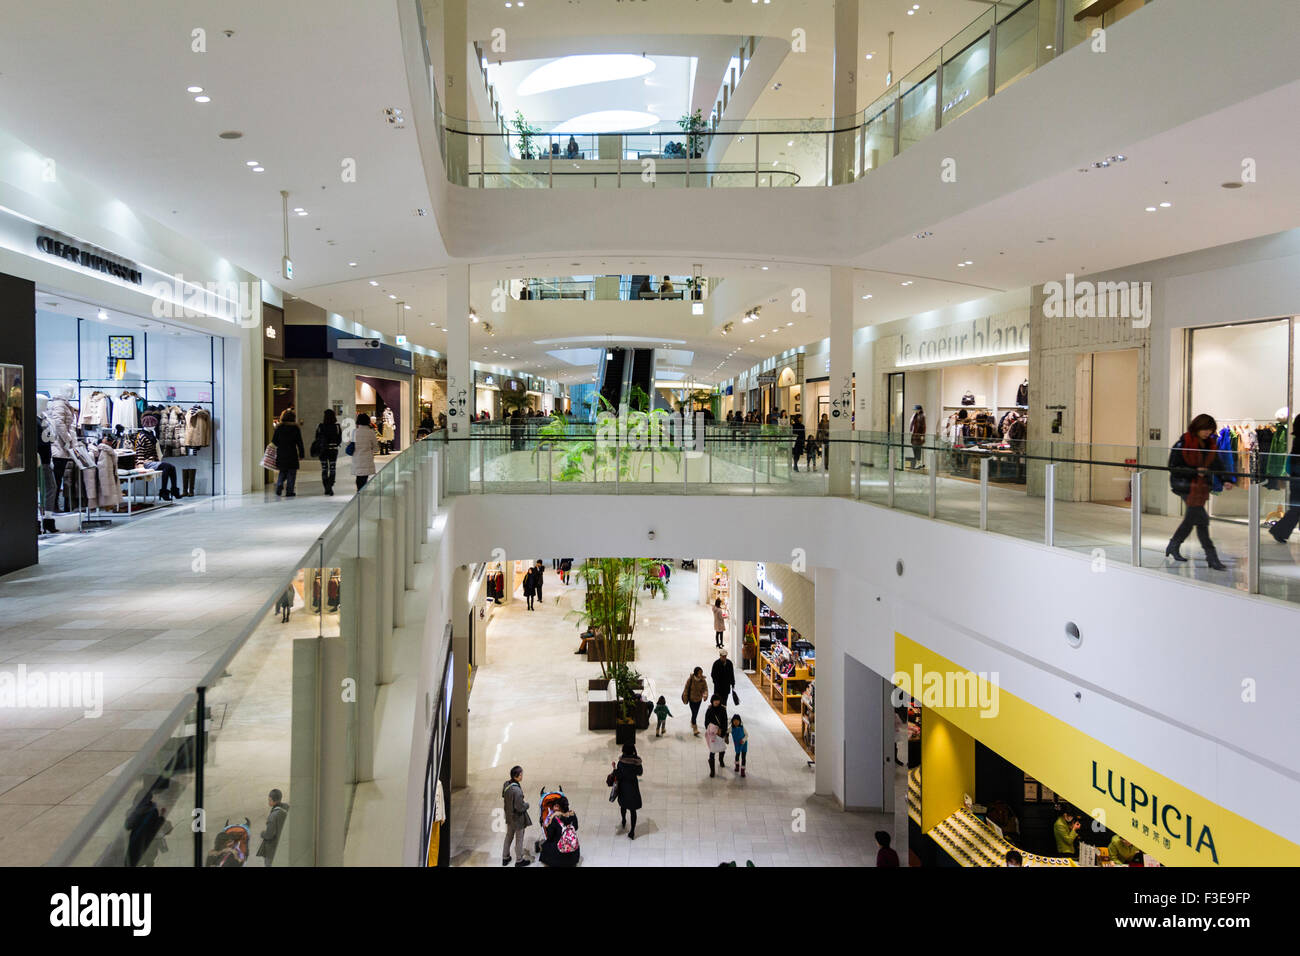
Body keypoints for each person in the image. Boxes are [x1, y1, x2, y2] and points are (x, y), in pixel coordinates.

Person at [1165, 413, 1233, 570]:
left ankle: (1173, 545)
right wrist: (1196, 471)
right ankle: (1212, 557)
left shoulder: (1210, 445)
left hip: (1201, 487)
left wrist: (1226, 479)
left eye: (1210, 430)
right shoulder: (1183, 444)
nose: (1208, 433)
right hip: (1185, 486)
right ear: (1197, 427)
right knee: (1202, 519)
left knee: (1192, 519)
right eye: (1205, 429)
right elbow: (1173, 467)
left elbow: (1217, 464)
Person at [1269, 413, 1300, 544]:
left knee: (1296, 509)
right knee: (1296, 509)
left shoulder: (1297, 439)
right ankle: (1279, 531)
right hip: (1298, 479)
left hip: (1296, 479)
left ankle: (1279, 531)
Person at [501, 765, 533, 866]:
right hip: (517, 819)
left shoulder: (506, 784)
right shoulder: (517, 791)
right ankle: (519, 860)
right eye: (521, 774)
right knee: (519, 839)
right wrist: (526, 805)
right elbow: (520, 807)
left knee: (509, 836)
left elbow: (504, 795)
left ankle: (505, 858)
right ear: (516, 776)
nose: (522, 776)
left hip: (509, 816)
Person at [538, 795, 579, 866]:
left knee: (545, 846)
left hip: (560, 855)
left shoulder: (555, 819)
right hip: (573, 856)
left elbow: (550, 836)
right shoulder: (573, 814)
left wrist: (548, 826)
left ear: (558, 807)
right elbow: (576, 827)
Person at [271, 410, 305, 498]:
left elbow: (274, 441)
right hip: (292, 453)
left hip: (281, 453)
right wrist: (301, 454)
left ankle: (279, 484)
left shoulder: (279, 427)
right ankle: (289, 491)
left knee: (282, 471)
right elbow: (299, 443)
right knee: (292, 472)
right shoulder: (295, 428)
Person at [612, 744, 643, 839]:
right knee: (633, 810)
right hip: (633, 787)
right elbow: (640, 772)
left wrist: (614, 768)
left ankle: (624, 820)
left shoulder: (621, 762)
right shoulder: (636, 761)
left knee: (623, 805)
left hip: (624, 787)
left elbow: (618, 775)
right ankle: (632, 831)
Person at [256, 789, 288, 867]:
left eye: (269, 800)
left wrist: (262, 833)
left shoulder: (273, 816)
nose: (268, 802)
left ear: (273, 801)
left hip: (273, 850)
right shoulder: (287, 808)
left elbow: (269, 835)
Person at [315, 408, 342, 496]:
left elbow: (317, 438)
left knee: (324, 469)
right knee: (332, 468)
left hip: (323, 451)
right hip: (333, 450)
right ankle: (329, 486)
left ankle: (326, 487)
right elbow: (339, 439)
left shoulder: (320, 426)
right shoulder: (337, 426)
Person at [703, 695, 729, 777]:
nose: (716, 702)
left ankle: (721, 760)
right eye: (715, 700)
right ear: (712, 701)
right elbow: (706, 722)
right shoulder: (709, 710)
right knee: (712, 751)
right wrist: (712, 730)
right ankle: (712, 771)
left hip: (721, 733)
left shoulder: (723, 710)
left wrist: (722, 731)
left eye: (718, 700)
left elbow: (725, 720)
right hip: (713, 735)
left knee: (722, 749)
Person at [351, 412, 378, 490]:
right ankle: (362, 493)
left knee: (358, 477)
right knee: (364, 477)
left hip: (357, 458)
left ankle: (358, 492)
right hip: (367, 458)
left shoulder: (354, 432)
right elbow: (376, 447)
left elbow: (350, 444)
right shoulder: (371, 432)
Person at [682, 666, 709, 736]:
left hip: (699, 699)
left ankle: (693, 722)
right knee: (694, 712)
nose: (701, 674)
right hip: (691, 699)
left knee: (695, 712)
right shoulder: (690, 679)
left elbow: (705, 689)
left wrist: (705, 695)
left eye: (701, 672)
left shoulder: (703, 680)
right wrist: (685, 697)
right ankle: (695, 728)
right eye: (699, 673)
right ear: (696, 673)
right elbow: (686, 688)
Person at [909, 404, 926, 469]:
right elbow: (913, 425)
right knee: (914, 448)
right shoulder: (915, 416)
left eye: (916, 409)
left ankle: (919, 463)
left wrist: (922, 435)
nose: (915, 411)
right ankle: (918, 462)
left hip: (918, 435)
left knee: (917, 449)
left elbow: (924, 427)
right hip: (914, 435)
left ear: (919, 410)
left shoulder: (922, 416)